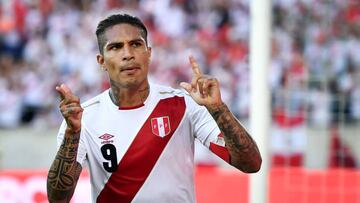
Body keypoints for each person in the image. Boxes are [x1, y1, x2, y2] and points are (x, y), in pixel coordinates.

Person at [46, 13, 261, 203]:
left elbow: (251, 164)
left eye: (136, 44)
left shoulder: (184, 104)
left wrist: (218, 109)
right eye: (116, 47)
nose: (127, 53)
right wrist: (73, 134)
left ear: (149, 53)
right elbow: (58, 198)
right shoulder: (84, 118)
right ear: (101, 61)